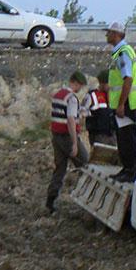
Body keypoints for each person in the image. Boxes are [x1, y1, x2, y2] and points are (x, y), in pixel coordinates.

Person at [104, 21, 136, 183]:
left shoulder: (122, 53)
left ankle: (130, 171)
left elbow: (127, 79)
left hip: (127, 103)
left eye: (109, 33)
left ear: (116, 34)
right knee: (124, 137)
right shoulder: (121, 51)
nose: (107, 35)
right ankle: (128, 169)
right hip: (127, 102)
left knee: (126, 138)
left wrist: (121, 104)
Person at [46, 71, 90, 213]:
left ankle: (50, 202)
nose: (80, 90)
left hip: (56, 135)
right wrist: (75, 143)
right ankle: (87, 199)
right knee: (86, 165)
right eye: (80, 86)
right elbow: (71, 120)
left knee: (60, 169)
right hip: (67, 136)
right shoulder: (72, 98)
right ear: (75, 83)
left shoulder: (58, 95)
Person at [81, 70, 116, 147]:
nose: (110, 86)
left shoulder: (113, 95)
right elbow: (82, 112)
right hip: (98, 135)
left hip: (112, 134)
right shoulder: (92, 95)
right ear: (102, 83)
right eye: (108, 83)